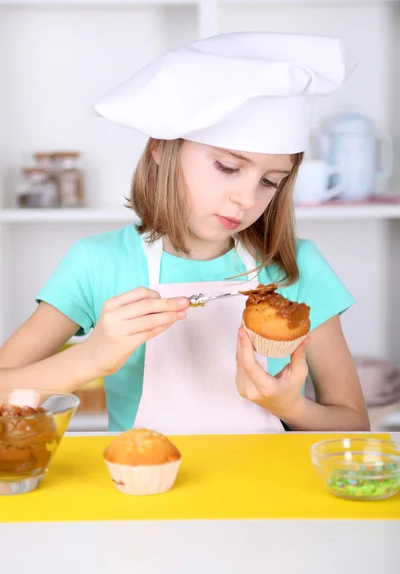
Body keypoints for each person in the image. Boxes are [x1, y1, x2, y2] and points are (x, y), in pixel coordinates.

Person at [0, 32, 369, 434]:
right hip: (140, 489)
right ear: (161, 147)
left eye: (270, 181)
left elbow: (354, 425)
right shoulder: (98, 263)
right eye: (228, 167)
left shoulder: (299, 267)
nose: (245, 198)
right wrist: (93, 356)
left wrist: (291, 407)